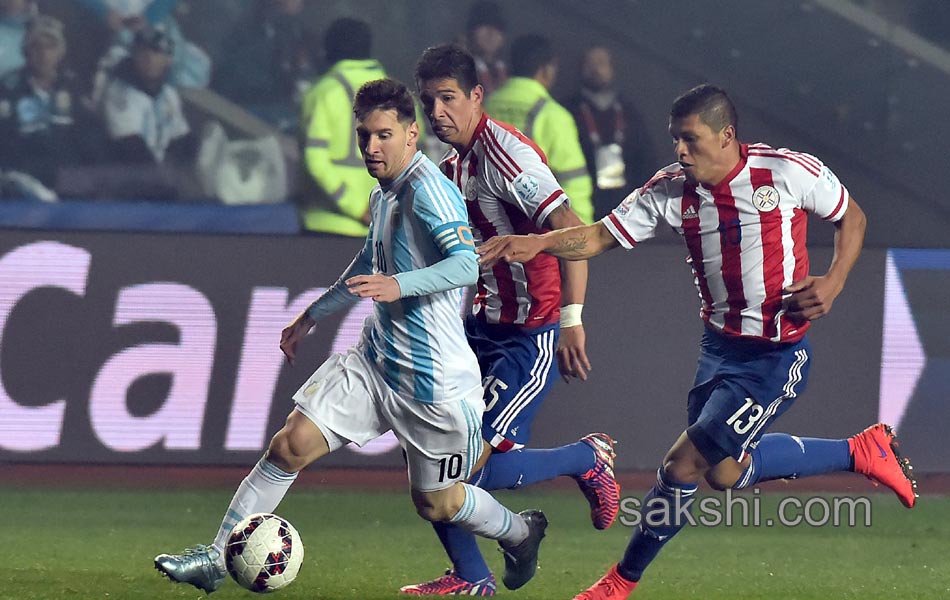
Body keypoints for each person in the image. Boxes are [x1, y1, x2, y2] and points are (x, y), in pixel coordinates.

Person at [476, 83, 918, 600]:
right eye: (675, 141)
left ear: (727, 135)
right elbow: (596, 236)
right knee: (726, 473)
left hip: (774, 356)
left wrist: (834, 281)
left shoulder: (785, 171)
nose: (680, 152)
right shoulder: (670, 190)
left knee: (680, 465)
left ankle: (619, 584)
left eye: (691, 140)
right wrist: (541, 242)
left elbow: (852, 216)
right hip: (717, 350)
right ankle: (861, 450)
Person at [153, 78, 549, 594]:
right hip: (375, 362)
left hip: (434, 386)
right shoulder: (384, 192)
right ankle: (213, 557)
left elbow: (465, 265)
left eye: (384, 135)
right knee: (289, 445)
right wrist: (315, 313)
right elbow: (371, 260)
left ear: (411, 135)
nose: (371, 147)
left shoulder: (430, 192)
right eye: (363, 136)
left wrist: (398, 284)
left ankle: (521, 533)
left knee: (439, 503)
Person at [399, 43, 619, 596]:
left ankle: (586, 458)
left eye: (448, 98)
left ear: (477, 96)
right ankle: (472, 578)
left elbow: (573, 231)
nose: (438, 112)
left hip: (530, 332)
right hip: (478, 329)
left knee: (467, 469)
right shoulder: (451, 165)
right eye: (429, 102)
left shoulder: (509, 158)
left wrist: (572, 318)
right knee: (431, 453)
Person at [484, 34, 594, 224]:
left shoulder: (485, 106)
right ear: (546, 69)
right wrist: (582, 234)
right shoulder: (554, 115)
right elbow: (573, 180)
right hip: (534, 231)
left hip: (486, 224)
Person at [298, 17, 386, 237]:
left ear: (329, 50)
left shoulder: (322, 93)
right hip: (384, 229)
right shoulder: (399, 95)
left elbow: (315, 161)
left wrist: (358, 209)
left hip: (327, 225)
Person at [0, 15, 103, 190]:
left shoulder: (75, 88)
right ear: (26, 50)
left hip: (71, 184)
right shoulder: (7, 89)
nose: (44, 54)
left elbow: (92, 139)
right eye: (36, 46)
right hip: (20, 185)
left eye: (51, 46)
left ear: (61, 51)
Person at [568, 45, 653, 220]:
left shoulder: (629, 111)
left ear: (612, 68)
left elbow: (647, 158)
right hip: (583, 208)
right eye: (590, 64)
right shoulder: (569, 111)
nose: (596, 70)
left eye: (601, 63)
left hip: (627, 211)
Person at [98, 23, 193, 166]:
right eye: (143, 50)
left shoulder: (169, 95)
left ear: (168, 59)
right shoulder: (120, 92)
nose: (149, 58)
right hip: (121, 170)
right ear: (134, 54)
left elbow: (181, 140)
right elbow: (133, 151)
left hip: (155, 172)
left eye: (157, 51)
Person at [462, 0, 507, 95]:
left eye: (497, 27)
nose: (491, 32)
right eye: (484, 25)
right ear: (470, 33)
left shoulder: (509, 73)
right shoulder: (460, 71)